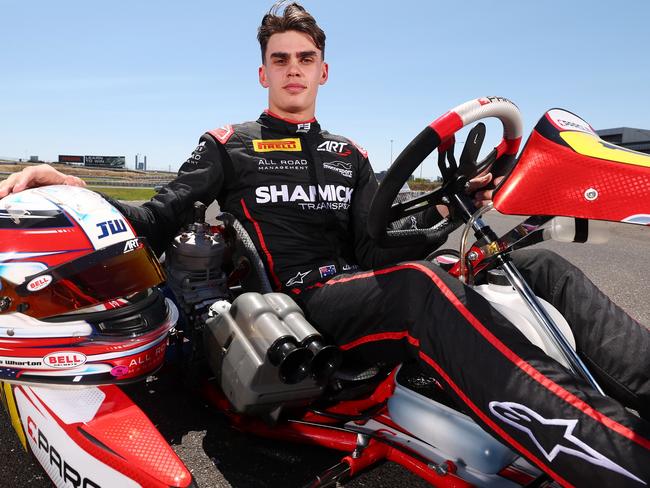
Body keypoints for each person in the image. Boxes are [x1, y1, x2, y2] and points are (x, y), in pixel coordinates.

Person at [1, 3, 648, 485]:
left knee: (531, 260)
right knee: (425, 290)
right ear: (264, 72)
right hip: (296, 301)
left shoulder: (350, 153)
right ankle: (613, 457)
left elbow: (377, 247)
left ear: (322, 70)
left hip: (359, 286)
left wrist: (458, 205)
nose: (292, 69)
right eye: (280, 58)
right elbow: (158, 217)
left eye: (303, 58)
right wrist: (72, 186)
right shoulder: (231, 142)